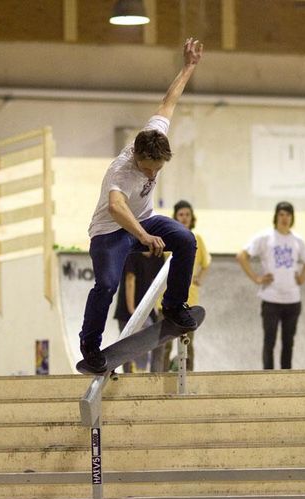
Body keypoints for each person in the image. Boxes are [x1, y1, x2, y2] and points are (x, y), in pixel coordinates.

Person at [79, 38, 203, 373]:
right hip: (110, 233)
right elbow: (117, 208)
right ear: (137, 156)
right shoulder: (121, 170)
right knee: (106, 284)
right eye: (149, 168)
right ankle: (90, 345)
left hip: (144, 219)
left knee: (186, 239)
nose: (153, 173)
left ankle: (174, 305)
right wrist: (145, 237)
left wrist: (189, 66)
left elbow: (168, 101)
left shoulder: (153, 134)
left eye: (158, 168)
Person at [237, 202, 305, 370]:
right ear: (276, 216)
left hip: (292, 300)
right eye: (281, 214)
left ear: (292, 218)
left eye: (288, 215)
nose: (285, 218)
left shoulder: (297, 241)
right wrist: (256, 278)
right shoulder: (265, 237)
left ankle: (286, 378)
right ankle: (268, 377)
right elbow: (242, 256)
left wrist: (301, 278)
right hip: (271, 298)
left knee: (288, 343)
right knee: (269, 342)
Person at [161, 200, 211, 371]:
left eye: (187, 215)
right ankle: (162, 377)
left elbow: (206, 263)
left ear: (192, 218)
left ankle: (190, 375)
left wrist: (199, 277)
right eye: (181, 215)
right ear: (175, 217)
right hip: (166, 298)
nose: (184, 218)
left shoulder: (197, 239)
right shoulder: (167, 238)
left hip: (189, 299)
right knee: (164, 344)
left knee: (188, 342)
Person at [113, 252, 167, 373]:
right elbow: (130, 280)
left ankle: (154, 379)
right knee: (126, 346)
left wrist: (153, 307)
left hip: (148, 309)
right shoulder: (132, 253)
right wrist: (133, 311)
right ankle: (128, 378)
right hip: (128, 309)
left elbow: (157, 282)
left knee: (156, 346)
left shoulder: (158, 255)